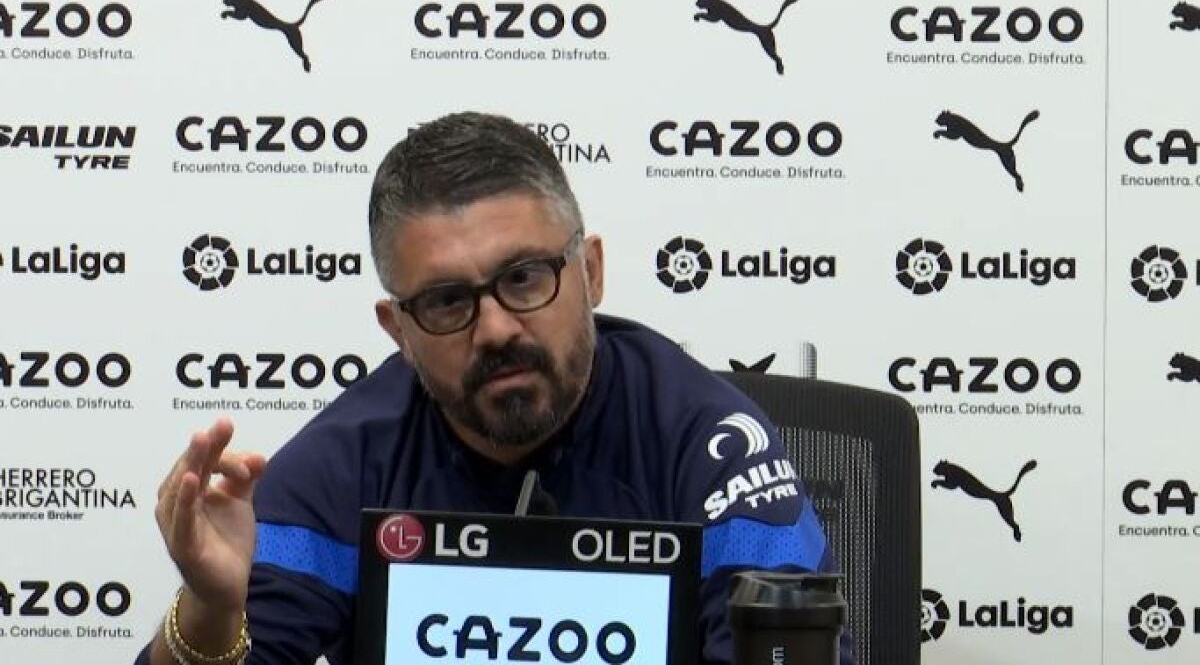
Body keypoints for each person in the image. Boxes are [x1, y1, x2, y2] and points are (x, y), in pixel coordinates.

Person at [136, 112, 854, 665]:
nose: (496, 329)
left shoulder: (709, 441)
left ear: (591, 272)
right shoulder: (343, 462)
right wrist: (209, 608)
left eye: (524, 277)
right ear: (398, 329)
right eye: (448, 301)